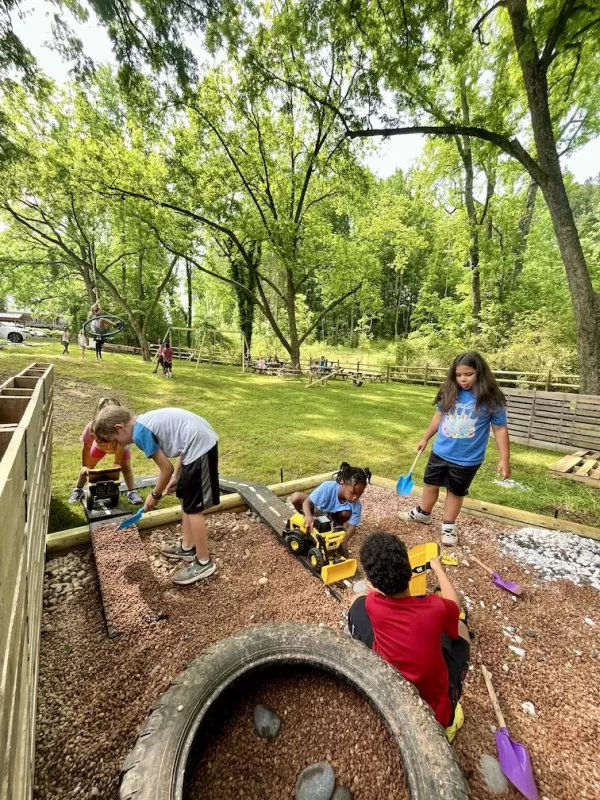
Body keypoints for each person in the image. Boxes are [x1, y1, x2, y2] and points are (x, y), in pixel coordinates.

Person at [348, 531, 470, 741]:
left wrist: (375, 590)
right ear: (409, 569)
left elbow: (371, 594)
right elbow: (455, 605)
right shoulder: (435, 608)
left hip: (390, 695)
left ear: (374, 582)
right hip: (433, 715)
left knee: (356, 599)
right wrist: (438, 569)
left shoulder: (373, 602)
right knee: (461, 629)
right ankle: (450, 720)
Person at [92, 405, 219, 586]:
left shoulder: (139, 433)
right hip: (194, 446)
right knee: (184, 497)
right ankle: (188, 546)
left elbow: (165, 468)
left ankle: (204, 562)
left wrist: (155, 495)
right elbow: (182, 441)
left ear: (120, 428)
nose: (121, 444)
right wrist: (177, 477)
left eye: (116, 440)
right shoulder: (143, 423)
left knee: (193, 508)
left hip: (201, 447)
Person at [399, 351, 510, 546]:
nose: (463, 379)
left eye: (468, 374)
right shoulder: (450, 391)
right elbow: (438, 417)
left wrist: (504, 458)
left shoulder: (490, 398)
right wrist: (425, 437)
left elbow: (500, 428)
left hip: (467, 459)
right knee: (430, 484)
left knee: (455, 492)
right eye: (458, 375)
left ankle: (449, 525)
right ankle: (423, 513)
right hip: (441, 451)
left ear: (480, 372)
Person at [67, 398, 143, 505]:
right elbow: (87, 446)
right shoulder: (91, 428)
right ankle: (78, 490)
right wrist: (85, 465)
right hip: (100, 446)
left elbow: (121, 444)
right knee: (88, 468)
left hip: (119, 445)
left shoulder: (120, 429)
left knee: (126, 467)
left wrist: (116, 462)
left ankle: (132, 492)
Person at [289, 462, 371, 546]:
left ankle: (337, 525)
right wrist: (308, 515)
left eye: (359, 494)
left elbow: (352, 526)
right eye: (353, 492)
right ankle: (308, 519)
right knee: (295, 497)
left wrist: (344, 541)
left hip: (334, 516)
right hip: (319, 510)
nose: (356, 497)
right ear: (342, 483)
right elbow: (307, 502)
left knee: (346, 513)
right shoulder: (327, 488)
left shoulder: (356, 505)